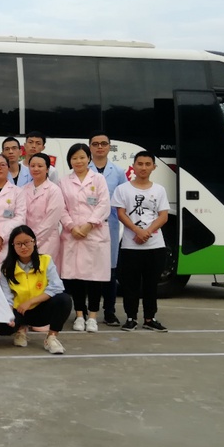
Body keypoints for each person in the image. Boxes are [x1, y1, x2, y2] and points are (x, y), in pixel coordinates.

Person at [112, 151, 170, 332]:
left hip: (155, 245)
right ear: (133, 166)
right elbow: (121, 213)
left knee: (151, 284)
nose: (143, 167)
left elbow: (163, 216)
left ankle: (150, 318)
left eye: (147, 164)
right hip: (130, 245)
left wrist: (147, 232)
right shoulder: (123, 189)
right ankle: (131, 318)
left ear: (154, 167)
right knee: (130, 284)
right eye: (140, 163)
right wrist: (137, 230)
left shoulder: (159, 190)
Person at [0, 225, 72, 354]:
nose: (23, 247)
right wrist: (9, 316)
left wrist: (30, 302)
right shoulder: (6, 268)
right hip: (19, 311)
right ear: (13, 246)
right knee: (1, 327)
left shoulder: (45, 260)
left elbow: (57, 287)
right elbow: (7, 296)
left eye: (27, 242)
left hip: (41, 309)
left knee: (64, 300)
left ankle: (51, 337)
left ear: (34, 242)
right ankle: (21, 329)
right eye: (19, 244)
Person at [59, 143, 111, 333]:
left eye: (82, 157)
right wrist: (72, 226)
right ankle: (80, 315)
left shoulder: (98, 179)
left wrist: (89, 225)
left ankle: (93, 317)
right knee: (76, 278)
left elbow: (104, 204)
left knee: (95, 277)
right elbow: (61, 207)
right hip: (72, 235)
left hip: (94, 234)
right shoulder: (64, 182)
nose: (78, 161)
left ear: (88, 158)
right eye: (74, 158)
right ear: (70, 161)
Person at [89, 132, 128, 326]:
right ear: (90, 147)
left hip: (109, 226)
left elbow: (124, 199)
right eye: (95, 144)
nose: (99, 147)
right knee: (89, 270)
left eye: (103, 143)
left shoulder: (119, 172)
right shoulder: (83, 169)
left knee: (110, 270)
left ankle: (110, 312)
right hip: (87, 227)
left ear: (109, 147)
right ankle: (89, 312)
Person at [21, 153, 66, 268]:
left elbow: (51, 220)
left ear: (47, 169)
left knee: (45, 271)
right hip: (25, 240)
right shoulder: (23, 189)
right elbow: (20, 215)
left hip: (47, 239)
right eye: (32, 166)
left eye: (40, 166)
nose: (36, 169)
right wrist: (25, 239)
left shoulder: (54, 190)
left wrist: (33, 241)